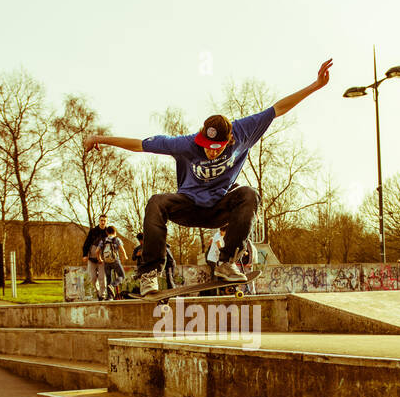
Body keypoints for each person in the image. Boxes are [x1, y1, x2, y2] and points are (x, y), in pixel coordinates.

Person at [83, 59, 333, 296]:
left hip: (220, 209)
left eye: (217, 147)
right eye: (206, 145)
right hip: (189, 206)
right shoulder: (185, 144)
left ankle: (227, 262)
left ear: (229, 139)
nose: (210, 151)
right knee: (156, 202)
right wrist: (100, 139)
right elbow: (139, 145)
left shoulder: (244, 131)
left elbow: (278, 109)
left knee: (249, 194)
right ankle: (149, 273)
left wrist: (316, 85)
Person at [80, 214, 110, 300]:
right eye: (101, 220)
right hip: (92, 258)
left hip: (102, 259)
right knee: (92, 278)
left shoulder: (108, 232)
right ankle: (96, 292)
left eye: (104, 221)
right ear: (99, 221)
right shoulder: (93, 231)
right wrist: (85, 255)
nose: (103, 222)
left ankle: (102, 295)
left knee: (102, 278)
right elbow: (87, 243)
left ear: (106, 221)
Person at [99, 225, 125, 300]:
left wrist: (100, 258)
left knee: (108, 278)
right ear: (115, 232)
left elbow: (97, 251)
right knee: (122, 276)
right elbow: (122, 249)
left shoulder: (103, 240)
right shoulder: (116, 239)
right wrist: (125, 256)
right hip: (115, 260)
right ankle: (113, 285)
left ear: (107, 232)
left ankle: (110, 297)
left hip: (106, 261)